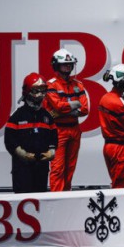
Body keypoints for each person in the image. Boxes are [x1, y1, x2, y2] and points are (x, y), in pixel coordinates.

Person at [44, 49, 89, 192]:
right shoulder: (51, 85)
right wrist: (74, 106)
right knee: (57, 168)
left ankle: (67, 197)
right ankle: (57, 200)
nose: (68, 67)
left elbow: (85, 109)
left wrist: (62, 111)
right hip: (58, 130)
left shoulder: (78, 84)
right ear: (56, 66)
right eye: (64, 64)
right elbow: (57, 106)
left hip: (75, 129)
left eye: (70, 64)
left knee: (70, 168)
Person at [4, 73, 57, 193]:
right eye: (37, 91)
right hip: (22, 167)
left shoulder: (47, 116)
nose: (41, 94)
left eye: (43, 91)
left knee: (40, 200)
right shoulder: (17, 116)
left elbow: (53, 136)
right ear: (28, 91)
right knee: (23, 198)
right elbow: (9, 139)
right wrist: (21, 153)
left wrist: (52, 151)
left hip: (42, 167)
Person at [98, 64, 124, 189]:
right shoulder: (118, 102)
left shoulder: (105, 98)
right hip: (120, 148)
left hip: (109, 146)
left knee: (118, 182)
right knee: (121, 186)